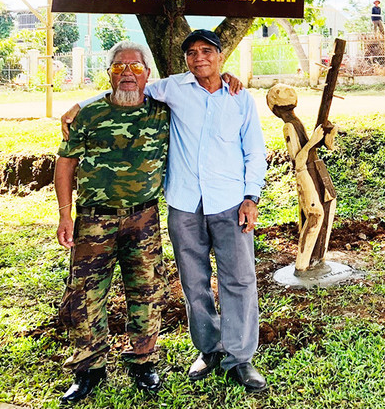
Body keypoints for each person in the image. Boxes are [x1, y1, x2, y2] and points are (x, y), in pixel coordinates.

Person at [64, 29, 268, 392]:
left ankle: (240, 358)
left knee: (239, 281)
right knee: (194, 283)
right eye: (192, 53)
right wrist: (81, 105)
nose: (199, 58)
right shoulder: (173, 88)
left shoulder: (240, 98)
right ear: (185, 60)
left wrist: (251, 197)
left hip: (230, 202)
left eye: (207, 51)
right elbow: (128, 86)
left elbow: (254, 152)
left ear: (221, 56)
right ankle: (208, 349)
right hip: (185, 204)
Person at [55, 41, 168, 404]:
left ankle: (142, 360)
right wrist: (64, 214)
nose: (127, 73)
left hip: (144, 216)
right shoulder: (88, 115)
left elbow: (196, 86)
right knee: (85, 294)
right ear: (109, 73)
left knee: (147, 292)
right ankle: (88, 368)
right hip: (93, 221)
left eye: (135, 67)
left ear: (148, 74)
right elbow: (66, 163)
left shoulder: (163, 112)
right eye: (119, 67)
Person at [266, 84, 339, 273]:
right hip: (305, 171)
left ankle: (318, 256)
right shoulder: (289, 127)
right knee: (315, 216)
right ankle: (302, 263)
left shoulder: (296, 122)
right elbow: (297, 160)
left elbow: (319, 147)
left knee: (329, 206)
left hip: (315, 167)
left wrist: (328, 136)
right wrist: (313, 141)